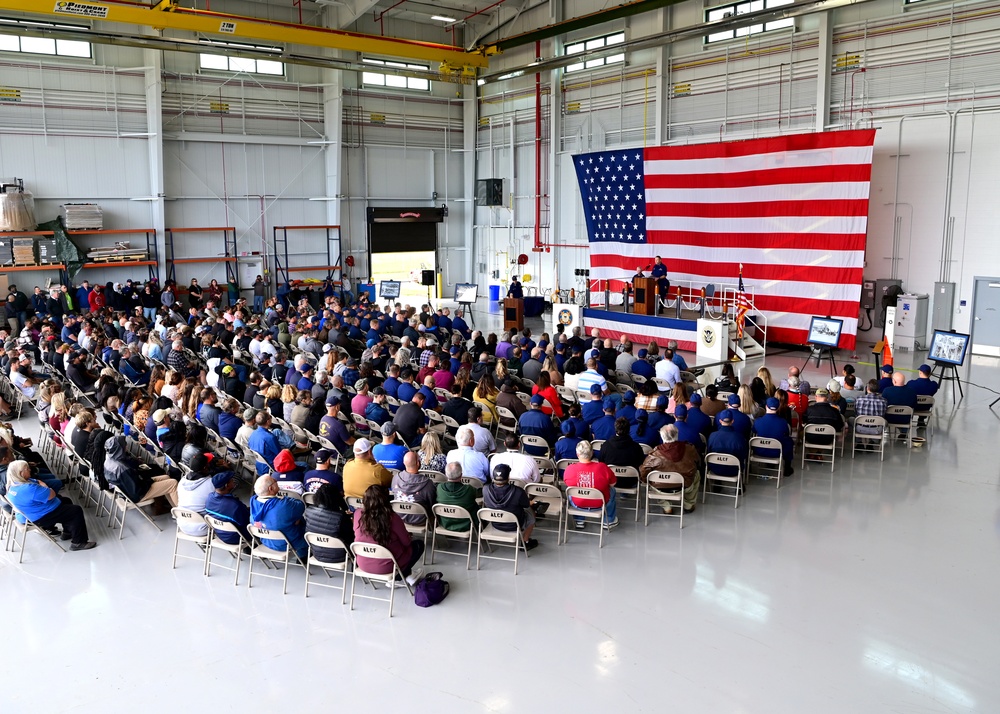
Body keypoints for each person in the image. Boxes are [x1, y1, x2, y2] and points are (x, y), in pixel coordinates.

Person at [4, 459, 96, 550]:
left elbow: (36, 482)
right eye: (27, 469)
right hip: (39, 517)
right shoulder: (29, 488)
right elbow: (51, 494)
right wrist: (43, 484)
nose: (29, 470)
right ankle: (78, 542)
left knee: (66, 501)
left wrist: (39, 483)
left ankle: (67, 532)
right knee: (76, 510)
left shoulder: (13, 485)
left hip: (28, 514)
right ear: (21, 473)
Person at [353, 484, 424, 585]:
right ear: (386, 499)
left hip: (363, 563)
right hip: (388, 566)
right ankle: (401, 577)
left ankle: (406, 575)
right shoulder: (393, 518)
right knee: (418, 545)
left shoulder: (357, 514)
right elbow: (407, 542)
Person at [104, 435, 178, 509]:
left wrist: (147, 480)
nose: (126, 445)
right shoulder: (122, 468)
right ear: (119, 448)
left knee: (166, 477)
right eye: (124, 444)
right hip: (137, 494)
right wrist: (149, 481)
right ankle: (180, 513)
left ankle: (173, 507)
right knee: (173, 483)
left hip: (129, 490)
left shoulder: (109, 461)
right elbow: (136, 489)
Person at [640, 424, 701, 514]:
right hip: (683, 486)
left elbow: (644, 472)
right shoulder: (690, 449)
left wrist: (646, 481)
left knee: (651, 478)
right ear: (677, 434)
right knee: (697, 474)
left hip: (660, 488)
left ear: (662, 436)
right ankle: (688, 504)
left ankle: (666, 506)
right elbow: (698, 463)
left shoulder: (654, 454)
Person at [250, 475, 308, 561]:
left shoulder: (253, 501)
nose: (277, 482)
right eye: (275, 481)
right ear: (271, 489)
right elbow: (301, 505)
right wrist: (284, 499)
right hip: (286, 543)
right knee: (302, 522)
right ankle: (303, 556)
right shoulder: (284, 505)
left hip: (266, 541)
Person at [563, 440, 618, 530]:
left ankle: (579, 520)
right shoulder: (602, 467)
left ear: (577, 454)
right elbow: (613, 483)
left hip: (578, 503)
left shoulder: (569, 469)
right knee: (612, 490)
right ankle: (609, 521)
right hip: (600, 503)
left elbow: (567, 483)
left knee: (570, 492)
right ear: (592, 453)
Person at [483, 463, 537, 550]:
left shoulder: (485, 489)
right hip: (514, 524)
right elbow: (526, 505)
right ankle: (525, 542)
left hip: (495, 522)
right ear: (508, 477)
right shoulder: (518, 491)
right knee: (531, 514)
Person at [303, 483, 354, 563]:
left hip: (317, 552)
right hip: (339, 555)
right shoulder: (340, 516)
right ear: (336, 498)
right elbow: (350, 535)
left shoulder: (308, 511)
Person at [176, 454, 221, 536]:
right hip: (203, 527)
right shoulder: (210, 483)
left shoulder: (182, 481)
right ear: (205, 467)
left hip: (183, 525)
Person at [204, 471, 251, 545]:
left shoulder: (210, 498)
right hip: (237, 537)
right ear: (227, 485)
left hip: (220, 534)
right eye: (231, 480)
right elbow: (247, 521)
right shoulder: (234, 505)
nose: (233, 481)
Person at [390, 451, 436, 525]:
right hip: (420, 520)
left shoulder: (396, 478)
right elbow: (431, 503)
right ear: (418, 463)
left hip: (399, 517)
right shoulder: (428, 483)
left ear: (404, 463)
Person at [751, 398, 795, 476]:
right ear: (778, 408)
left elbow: (754, 432)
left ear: (766, 407)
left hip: (759, 451)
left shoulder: (758, 421)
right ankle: (787, 468)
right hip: (777, 451)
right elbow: (787, 434)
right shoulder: (783, 422)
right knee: (789, 441)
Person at [435, 462, 480, 532]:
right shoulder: (469, 489)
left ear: (446, 474)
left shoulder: (439, 488)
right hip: (466, 524)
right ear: (461, 475)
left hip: (445, 523)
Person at [706, 410, 748, 477]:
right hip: (734, 469)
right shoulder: (739, 437)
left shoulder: (712, 436)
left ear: (720, 421)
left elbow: (708, 452)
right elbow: (744, 455)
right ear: (732, 421)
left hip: (715, 468)